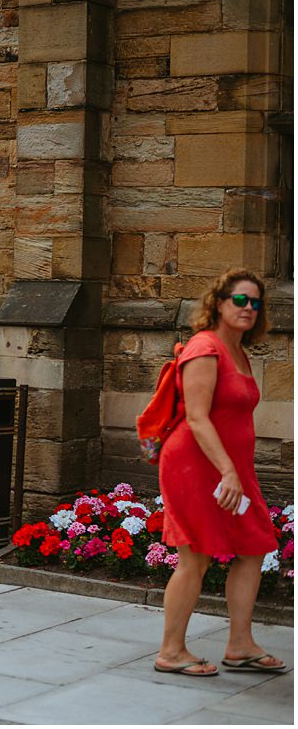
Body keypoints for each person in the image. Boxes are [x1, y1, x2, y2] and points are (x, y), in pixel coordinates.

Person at [154, 269, 286, 677]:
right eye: (240, 300)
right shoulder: (204, 347)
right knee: (195, 556)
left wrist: (235, 471)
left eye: (256, 303)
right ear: (220, 303)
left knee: (254, 544)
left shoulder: (238, 351)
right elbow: (196, 417)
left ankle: (240, 645)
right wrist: (228, 471)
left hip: (231, 469)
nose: (249, 308)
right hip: (196, 466)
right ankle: (171, 651)